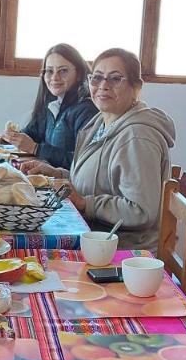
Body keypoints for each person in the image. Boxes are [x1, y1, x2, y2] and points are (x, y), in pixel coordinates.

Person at [21, 48, 175, 251]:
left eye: (115, 78)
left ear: (136, 87)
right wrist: (56, 173)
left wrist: (86, 204)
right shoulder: (99, 123)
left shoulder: (137, 136)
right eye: (97, 78)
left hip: (125, 252)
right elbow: (98, 182)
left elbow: (141, 212)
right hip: (94, 236)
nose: (103, 86)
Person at [0, 43, 96, 168]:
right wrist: (10, 137)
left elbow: (82, 163)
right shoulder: (52, 103)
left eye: (63, 71)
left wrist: (35, 148)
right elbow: (33, 133)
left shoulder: (87, 110)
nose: (54, 77)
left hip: (66, 183)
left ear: (79, 75)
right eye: (49, 71)